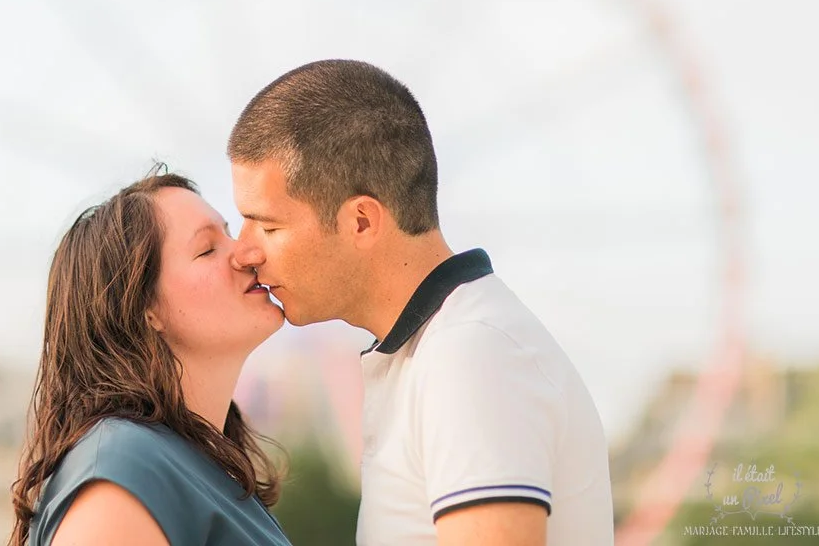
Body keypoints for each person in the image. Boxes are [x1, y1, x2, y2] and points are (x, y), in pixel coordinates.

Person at [227, 59, 614, 546]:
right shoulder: (445, 349)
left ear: (362, 222)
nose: (243, 251)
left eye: (267, 225)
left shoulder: (471, 356)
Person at [9, 170, 292, 546]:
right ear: (145, 310)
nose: (246, 252)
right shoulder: (120, 471)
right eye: (207, 248)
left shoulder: (194, 464)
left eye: (228, 232)